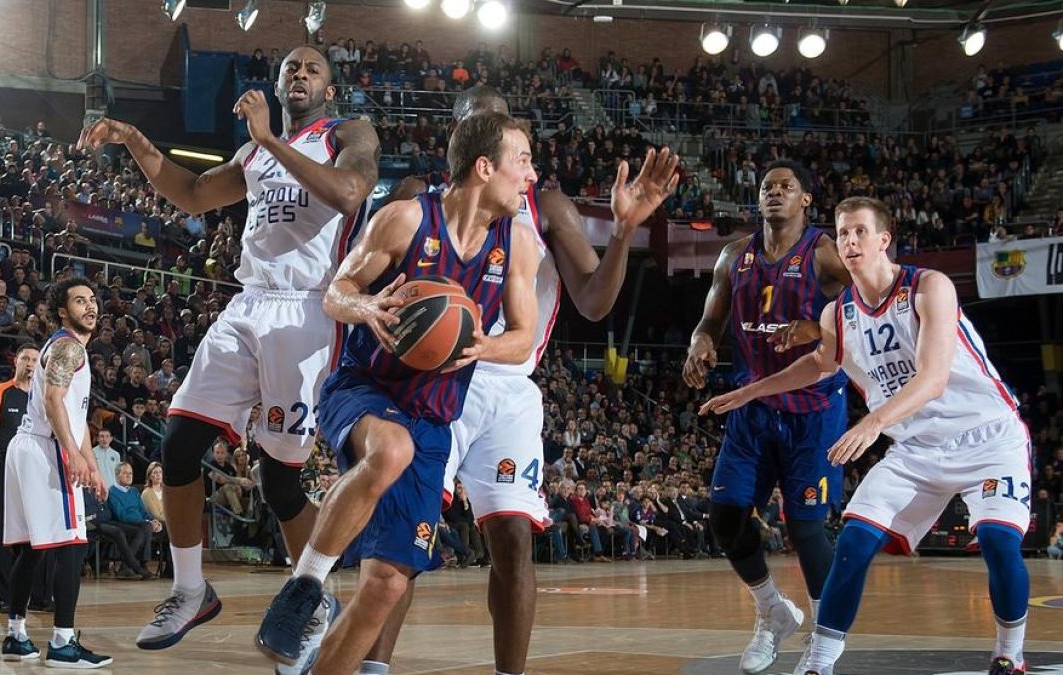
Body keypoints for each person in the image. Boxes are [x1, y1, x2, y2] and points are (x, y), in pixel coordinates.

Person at [79, 46, 380, 668]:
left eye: (312, 69)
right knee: (178, 444)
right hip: (248, 303)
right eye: (291, 68)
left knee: (279, 480)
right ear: (278, 82)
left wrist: (268, 139)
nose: (300, 74)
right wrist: (135, 140)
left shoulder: (348, 133)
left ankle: (312, 599)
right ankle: (191, 589)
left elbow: (350, 194)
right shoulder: (253, 153)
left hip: (308, 310)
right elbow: (191, 193)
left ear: (329, 89)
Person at [364, 86, 679, 675]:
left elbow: (593, 303)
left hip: (507, 384)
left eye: (506, 125)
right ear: (461, 140)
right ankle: (370, 668)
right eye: (481, 124)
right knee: (404, 539)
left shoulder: (545, 205)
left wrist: (623, 231)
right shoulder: (416, 202)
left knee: (513, 540)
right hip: (430, 380)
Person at [701, 197, 1032, 675]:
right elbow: (820, 364)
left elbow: (933, 378)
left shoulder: (929, 287)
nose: (850, 241)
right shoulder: (837, 313)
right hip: (917, 448)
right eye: (843, 233)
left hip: (988, 438)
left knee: (999, 542)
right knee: (853, 542)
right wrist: (749, 391)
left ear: (884, 239)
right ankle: (818, 663)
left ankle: (1009, 655)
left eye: (860, 231)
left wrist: (872, 423)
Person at [257, 111, 539, 674]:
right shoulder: (406, 218)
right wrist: (366, 306)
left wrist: (483, 346)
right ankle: (304, 588)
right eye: (524, 161)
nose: (531, 176)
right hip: (364, 387)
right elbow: (337, 292)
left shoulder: (518, 244)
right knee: (390, 449)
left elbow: (523, 338)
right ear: (485, 167)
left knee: (387, 585)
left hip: (433, 417)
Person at [682, 159, 852, 675]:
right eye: (767, 187)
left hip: (813, 411)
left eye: (786, 186)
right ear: (757, 199)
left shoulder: (823, 253)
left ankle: (824, 640)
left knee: (806, 529)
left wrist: (817, 329)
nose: (775, 192)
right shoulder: (735, 255)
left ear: (805, 200)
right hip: (753, 409)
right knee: (724, 518)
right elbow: (708, 321)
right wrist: (700, 344)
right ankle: (773, 611)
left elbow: (865, 308)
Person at [0, 279, 112, 668]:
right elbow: (53, 401)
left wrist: (92, 466)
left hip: (29, 446)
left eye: (92, 300)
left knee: (32, 549)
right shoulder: (68, 346)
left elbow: (76, 418)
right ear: (63, 311)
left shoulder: (68, 347)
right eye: (80, 301)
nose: (90, 306)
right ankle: (63, 643)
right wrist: (72, 455)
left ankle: (16, 636)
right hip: (45, 448)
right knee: (72, 546)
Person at [0, 344, 47, 614]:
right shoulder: (0, 393)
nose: (30, 363)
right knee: (4, 534)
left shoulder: (44, 396)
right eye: (25, 358)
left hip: (37, 473)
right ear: (15, 362)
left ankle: (40, 596)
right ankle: (7, 597)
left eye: (35, 360)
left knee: (38, 533)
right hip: (5, 470)